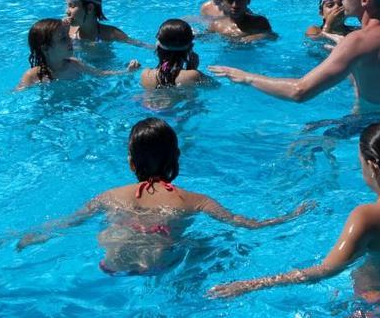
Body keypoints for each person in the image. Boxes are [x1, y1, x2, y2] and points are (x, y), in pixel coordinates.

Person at [16, 118, 312, 275]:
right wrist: (291, 216)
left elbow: (69, 223)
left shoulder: (109, 195)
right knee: (213, 246)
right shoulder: (193, 200)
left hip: (111, 265)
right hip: (160, 264)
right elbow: (243, 223)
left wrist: (33, 235)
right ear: (176, 158)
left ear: (131, 163)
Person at [210, 120, 380, 302]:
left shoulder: (367, 217)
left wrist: (252, 284)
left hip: (375, 304)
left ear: (372, 166)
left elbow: (324, 270)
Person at [210, 0, 380, 111]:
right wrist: (351, 59)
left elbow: (299, 92)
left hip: (372, 126)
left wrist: (245, 77)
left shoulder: (358, 41)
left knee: (304, 143)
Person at [17, 19, 140, 90]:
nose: (70, 41)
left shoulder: (74, 64)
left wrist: (127, 72)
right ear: (45, 48)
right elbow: (17, 94)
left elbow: (102, 74)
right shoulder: (33, 76)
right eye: (63, 39)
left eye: (68, 36)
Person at [141, 19, 218, 89]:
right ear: (190, 48)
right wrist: (192, 68)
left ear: (158, 48)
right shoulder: (193, 75)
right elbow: (215, 86)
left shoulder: (146, 74)